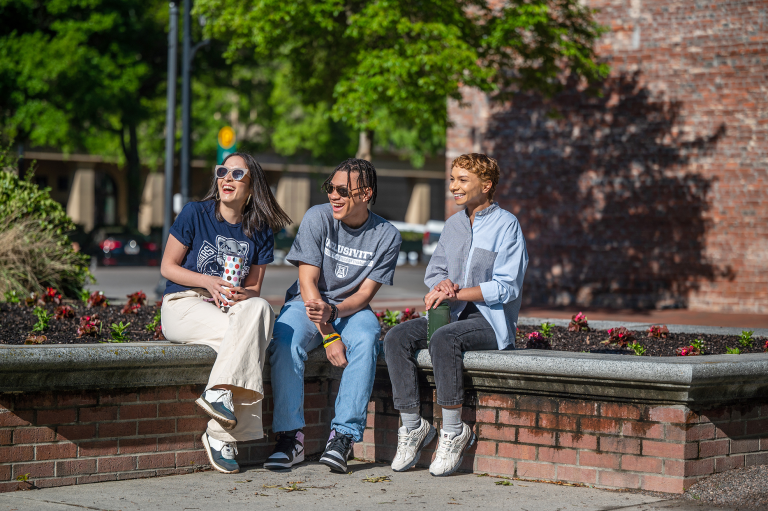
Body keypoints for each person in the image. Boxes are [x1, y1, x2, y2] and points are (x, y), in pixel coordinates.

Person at [383, 153, 528, 477]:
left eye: (463, 180)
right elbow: (435, 271)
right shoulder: (454, 224)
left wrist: (457, 292)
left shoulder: (506, 225)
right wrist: (442, 283)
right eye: (452, 179)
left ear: (486, 185)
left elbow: (506, 287)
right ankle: (413, 426)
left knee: (444, 338)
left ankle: (453, 430)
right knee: (395, 337)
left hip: (490, 321)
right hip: (452, 313)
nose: (454, 186)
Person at [264, 158, 402, 473]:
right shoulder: (317, 217)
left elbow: (365, 295)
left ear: (366, 193)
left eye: (342, 190)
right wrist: (329, 334)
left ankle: (342, 437)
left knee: (367, 338)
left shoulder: (387, 235)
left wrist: (336, 314)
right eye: (330, 188)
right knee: (285, 337)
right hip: (307, 302)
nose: (333, 196)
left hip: (351, 309)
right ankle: (290, 439)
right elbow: (307, 282)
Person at [160, 152, 291, 474]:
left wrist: (233, 294)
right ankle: (223, 433)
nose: (226, 178)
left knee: (259, 308)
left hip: (228, 310)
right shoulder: (195, 213)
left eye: (236, 173)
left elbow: (254, 290)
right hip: (185, 303)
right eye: (222, 172)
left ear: (251, 186)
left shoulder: (260, 230)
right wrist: (208, 282)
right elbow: (168, 267)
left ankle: (218, 399)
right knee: (252, 341)